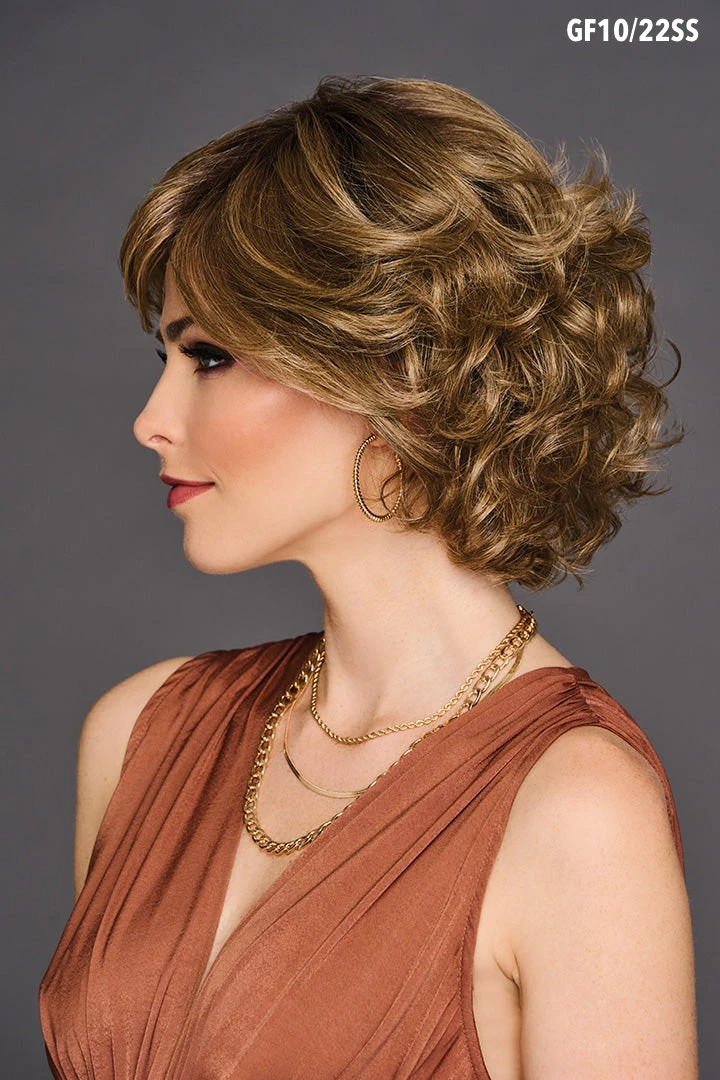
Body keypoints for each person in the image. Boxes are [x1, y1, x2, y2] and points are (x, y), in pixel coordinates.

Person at [38, 75, 697, 1079]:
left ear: (397, 375)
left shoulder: (575, 810)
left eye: (208, 357)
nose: (150, 421)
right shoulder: (139, 735)